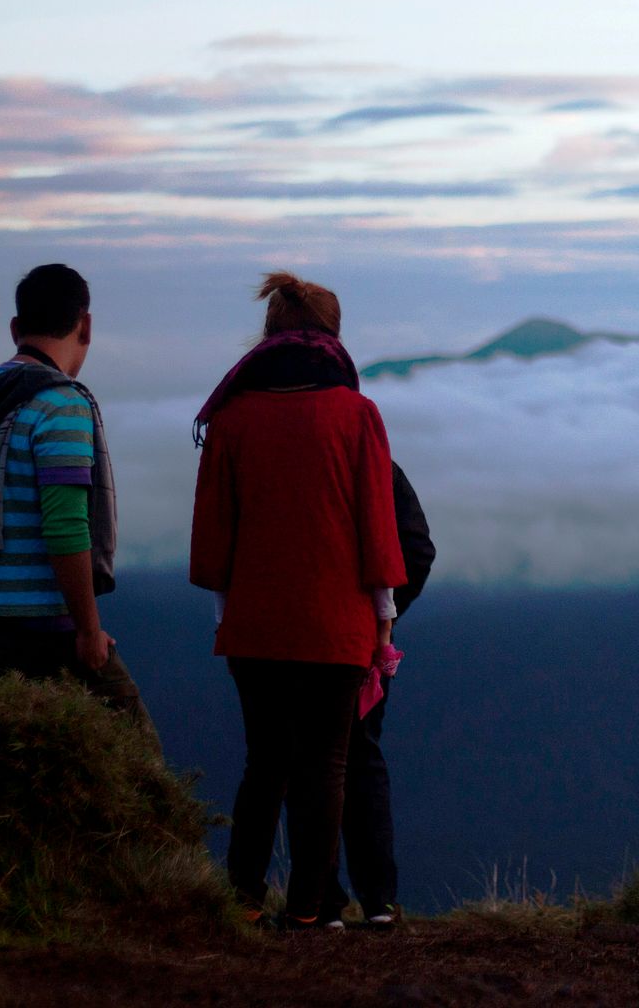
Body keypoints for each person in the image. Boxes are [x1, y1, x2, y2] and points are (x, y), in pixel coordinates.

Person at [190, 271, 406, 932]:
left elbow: (214, 539)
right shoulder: (357, 414)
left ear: (270, 336)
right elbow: (376, 525)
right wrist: (383, 618)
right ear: (332, 337)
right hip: (336, 626)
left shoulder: (230, 417)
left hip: (253, 624)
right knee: (326, 767)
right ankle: (308, 910)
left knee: (265, 763)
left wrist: (229, 616)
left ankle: (244, 899)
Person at [0, 264, 152, 731]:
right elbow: (65, 526)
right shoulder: (61, 403)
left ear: (15, 329)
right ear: (86, 325)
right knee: (136, 747)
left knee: (27, 748)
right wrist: (88, 631)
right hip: (37, 624)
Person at [320, 461, 435, 930]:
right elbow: (418, 549)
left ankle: (317, 904)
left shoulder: (271, 452)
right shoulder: (372, 461)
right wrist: (380, 617)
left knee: (300, 760)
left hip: (284, 639)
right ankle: (379, 903)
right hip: (365, 642)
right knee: (360, 757)